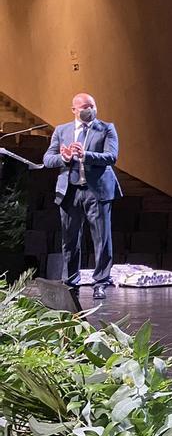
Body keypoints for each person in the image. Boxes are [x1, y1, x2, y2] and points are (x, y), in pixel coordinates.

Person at [42, 93, 122, 299]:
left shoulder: (106, 128)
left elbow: (111, 157)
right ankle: (70, 282)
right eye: (85, 107)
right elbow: (48, 159)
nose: (90, 110)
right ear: (74, 110)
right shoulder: (62, 130)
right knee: (69, 239)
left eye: (93, 106)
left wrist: (85, 154)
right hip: (70, 191)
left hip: (97, 191)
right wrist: (65, 157)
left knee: (101, 239)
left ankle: (101, 282)